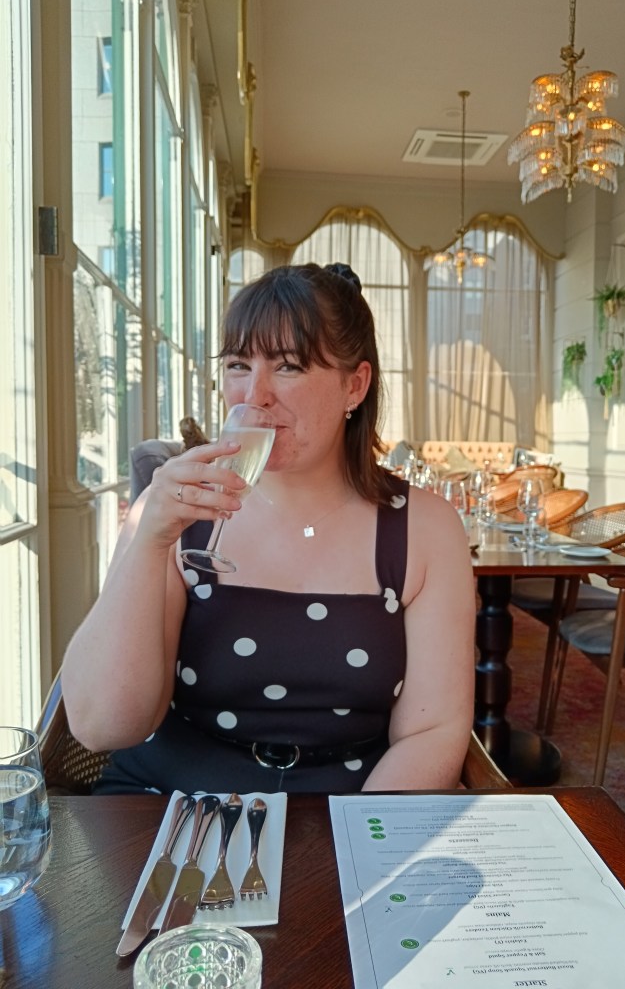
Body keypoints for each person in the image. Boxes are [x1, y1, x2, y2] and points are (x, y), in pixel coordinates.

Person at [61, 263, 476, 794]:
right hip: (169, 802)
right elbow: (100, 727)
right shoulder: (177, 514)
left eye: (288, 367)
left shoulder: (425, 528)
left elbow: (431, 730)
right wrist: (149, 540)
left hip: (347, 806)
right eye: (238, 364)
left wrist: (358, 848)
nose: (253, 395)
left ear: (355, 385)